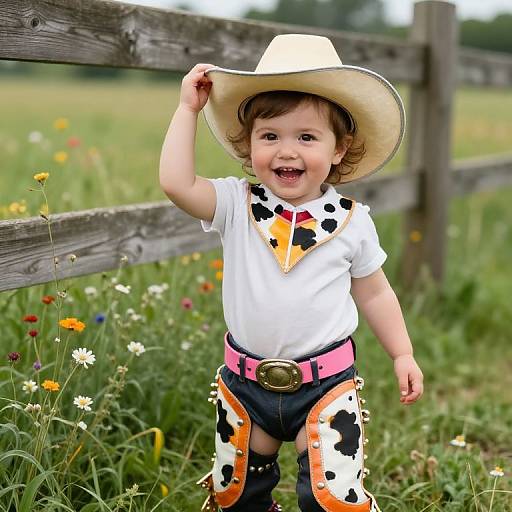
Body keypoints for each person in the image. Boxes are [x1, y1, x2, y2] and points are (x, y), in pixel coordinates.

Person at [159, 33, 424, 512]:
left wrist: (402, 353)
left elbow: (376, 294)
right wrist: (187, 111)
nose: (286, 151)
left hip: (325, 385)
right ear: (249, 143)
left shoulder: (351, 219)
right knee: (237, 496)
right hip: (246, 386)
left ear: (339, 149)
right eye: (270, 136)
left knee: (331, 499)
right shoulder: (236, 204)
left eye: (306, 137)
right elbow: (176, 183)